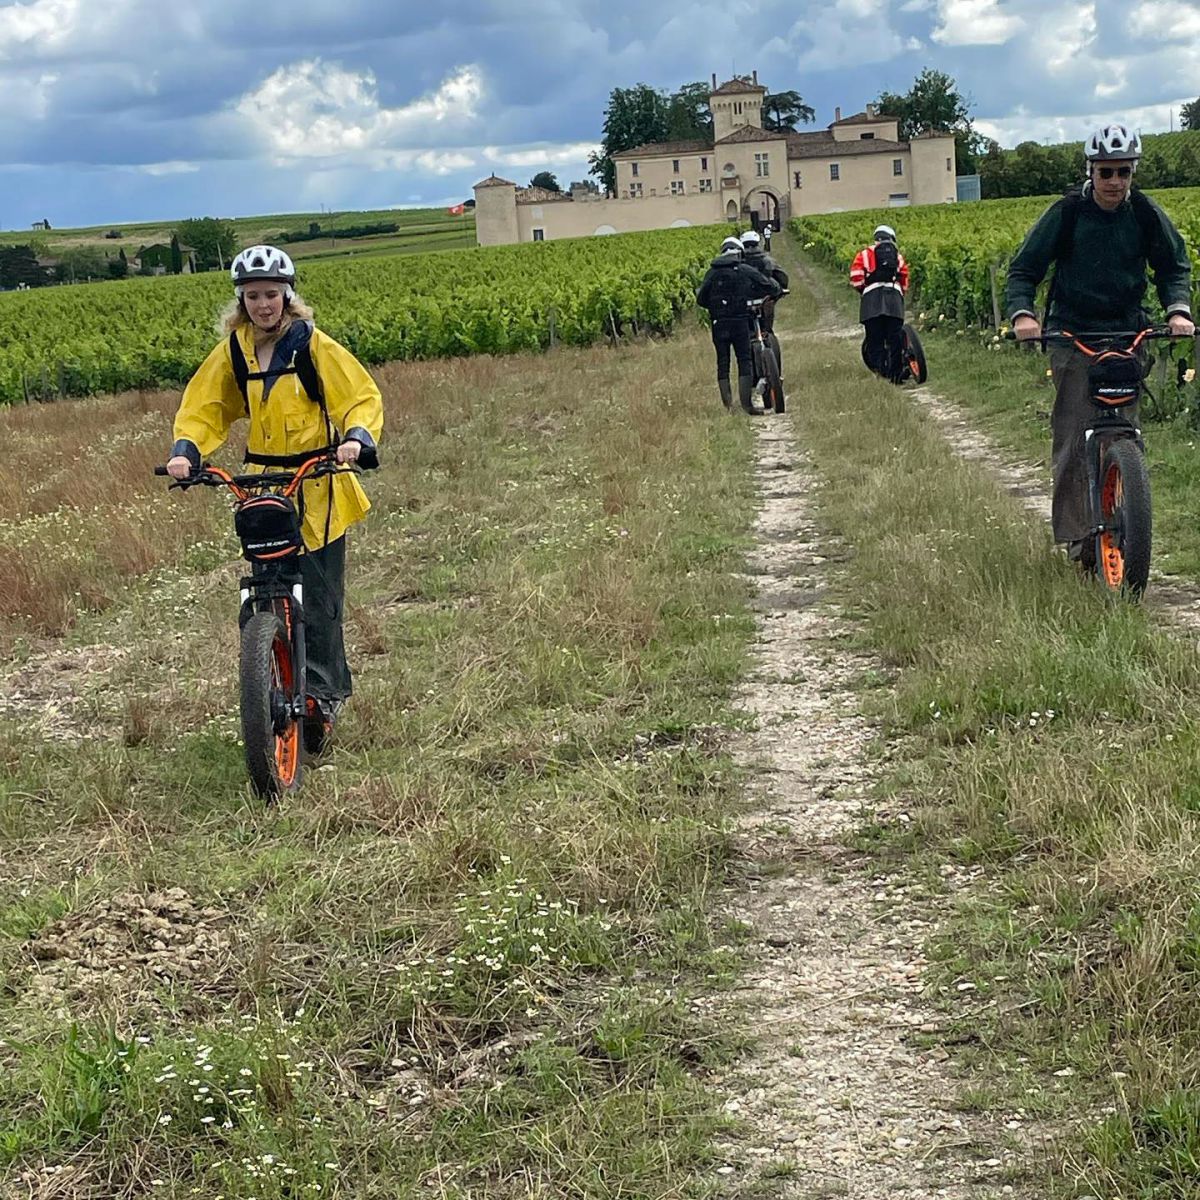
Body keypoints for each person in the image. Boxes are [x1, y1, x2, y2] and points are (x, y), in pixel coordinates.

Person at [164, 245, 384, 752]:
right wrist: (186, 449)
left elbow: (359, 395)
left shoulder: (311, 345)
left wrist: (357, 437)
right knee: (265, 582)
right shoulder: (234, 351)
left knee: (321, 598)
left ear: (288, 295)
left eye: (271, 294)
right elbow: (205, 405)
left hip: (320, 479)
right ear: (241, 301)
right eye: (253, 296)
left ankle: (323, 698)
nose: (263, 304)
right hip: (263, 483)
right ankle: (264, 662)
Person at [1006, 123, 1194, 564]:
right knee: (1075, 433)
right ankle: (1078, 539)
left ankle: (1128, 511)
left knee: (1125, 427)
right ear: (1091, 171)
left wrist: (1178, 310)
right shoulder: (1068, 213)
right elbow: (1024, 269)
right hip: (1074, 334)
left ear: (1133, 173)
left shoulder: (1145, 214)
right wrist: (1024, 314)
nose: (1115, 183)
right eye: (1106, 172)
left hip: (1129, 333)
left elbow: (1173, 267)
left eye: (1123, 172)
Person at [696, 235, 781, 413]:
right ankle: (747, 406)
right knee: (744, 361)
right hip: (740, 321)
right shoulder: (743, 269)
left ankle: (728, 406)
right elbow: (768, 284)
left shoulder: (711, 273)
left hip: (718, 323)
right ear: (739, 252)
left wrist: (716, 308)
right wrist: (776, 291)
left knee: (723, 362)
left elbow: (701, 299)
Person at [850, 225, 910, 382]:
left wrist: (865, 290)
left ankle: (883, 372)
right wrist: (900, 293)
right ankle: (897, 375)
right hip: (894, 297)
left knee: (874, 339)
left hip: (872, 300)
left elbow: (856, 279)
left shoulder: (863, 255)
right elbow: (904, 278)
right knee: (895, 337)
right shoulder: (897, 256)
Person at [741, 228, 790, 375]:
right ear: (758, 243)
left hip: (745, 305)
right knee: (767, 330)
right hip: (765, 302)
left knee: (747, 335)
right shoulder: (767, 259)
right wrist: (780, 290)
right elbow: (782, 277)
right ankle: (776, 371)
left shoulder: (738, 263)